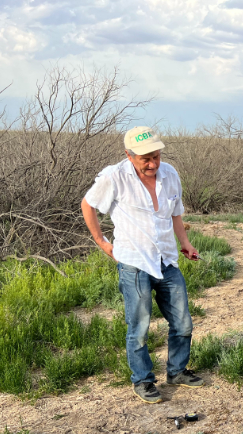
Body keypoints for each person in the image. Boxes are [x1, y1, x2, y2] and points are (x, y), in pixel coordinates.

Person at [80, 126, 203, 403]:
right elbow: (87, 204)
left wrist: (185, 243)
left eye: (156, 157)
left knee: (183, 322)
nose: (153, 164)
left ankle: (177, 371)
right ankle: (143, 380)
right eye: (145, 159)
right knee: (140, 327)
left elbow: (176, 214)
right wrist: (101, 241)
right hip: (134, 262)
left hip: (167, 259)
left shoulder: (170, 174)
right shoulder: (114, 176)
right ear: (129, 155)